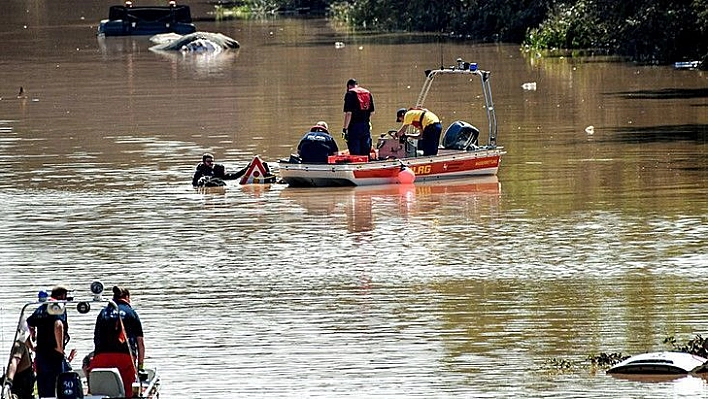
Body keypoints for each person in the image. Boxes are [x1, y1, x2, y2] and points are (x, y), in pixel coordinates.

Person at [89, 286, 145, 398]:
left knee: (100, 391)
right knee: (129, 393)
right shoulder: (132, 313)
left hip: (101, 358)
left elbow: (96, 339)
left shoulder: (103, 313)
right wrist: (140, 367)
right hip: (125, 358)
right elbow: (140, 344)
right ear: (127, 297)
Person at [26, 285, 73, 398]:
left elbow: (26, 325)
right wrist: (59, 347)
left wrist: (32, 346)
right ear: (62, 295)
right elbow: (58, 325)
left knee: (44, 389)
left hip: (41, 354)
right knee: (58, 387)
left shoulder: (42, 307)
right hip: (54, 355)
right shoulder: (58, 306)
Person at [3, 318, 35, 399]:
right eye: (31, 329)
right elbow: (14, 361)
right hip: (18, 393)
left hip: (27, 393)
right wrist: (9, 382)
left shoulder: (27, 349)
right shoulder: (19, 346)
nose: (34, 331)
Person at [342, 78, 375, 156]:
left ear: (348, 87)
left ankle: (356, 165)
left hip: (354, 127)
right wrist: (368, 121)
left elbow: (349, 114)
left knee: (355, 151)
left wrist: (345, 128)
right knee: (365, 149)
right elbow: (372, 112)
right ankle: (366, 166)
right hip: (365, 126)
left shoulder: (350, 94)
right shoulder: (367, 93)